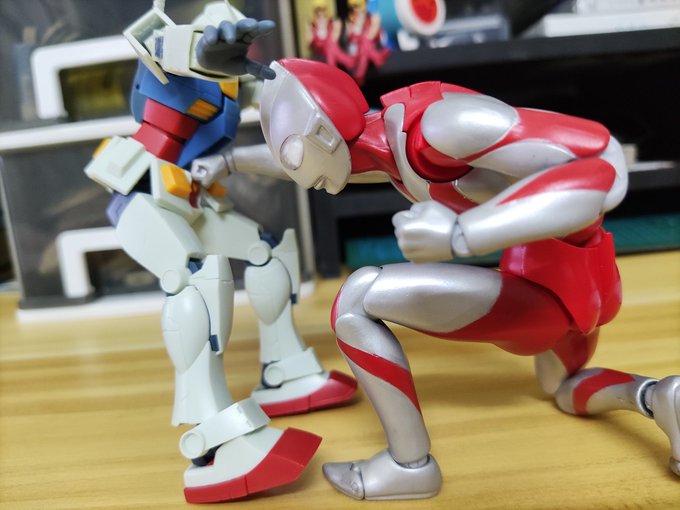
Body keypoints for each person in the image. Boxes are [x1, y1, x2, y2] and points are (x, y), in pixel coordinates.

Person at [250, 58, 678, 500]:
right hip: (578, 280)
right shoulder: (381, 146)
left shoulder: (440, 127)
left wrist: (462, 234)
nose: (301, 176)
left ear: (324, 132)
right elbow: (292, 163)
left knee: (355, 301)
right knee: (562, 387)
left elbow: (603, 167)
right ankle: (659, 397)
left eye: (294, 154)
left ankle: (409, 466)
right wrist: (229, 160)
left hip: (549, 292)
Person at [84, 6, 356, 503]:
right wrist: (206, 48)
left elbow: (271, 99)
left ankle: (282, 371)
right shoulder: (164, 51)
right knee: (191, 279)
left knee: (265, 249)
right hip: (142, 192)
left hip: (191, 195)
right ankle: (211, 439)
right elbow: (172, 51)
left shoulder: (231, 84)